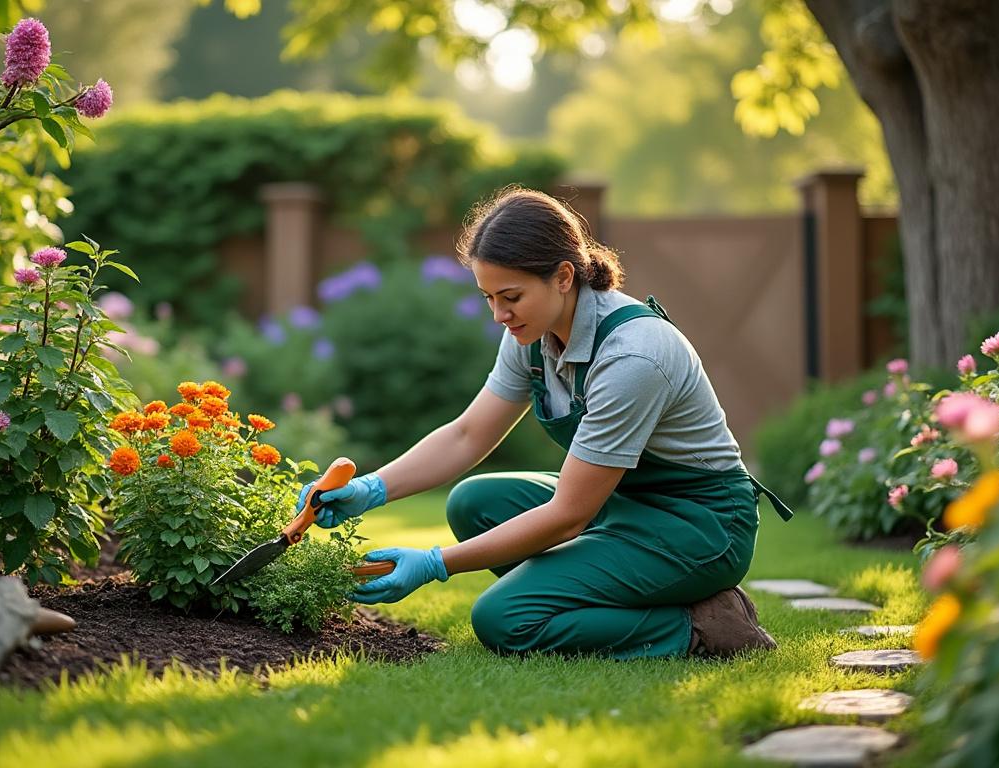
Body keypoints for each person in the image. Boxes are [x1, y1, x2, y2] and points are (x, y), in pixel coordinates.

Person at [298, 187, 792, 660]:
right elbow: (468, 434)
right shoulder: (530, 337)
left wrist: (434, 564)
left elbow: (569, 514)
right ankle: (604, 598)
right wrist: (371, 488)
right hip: (624, 505)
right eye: (489, 297)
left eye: (510, 296)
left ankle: (705, 626)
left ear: (562, 276)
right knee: (475, 502)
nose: (498, 314)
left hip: (699, 526)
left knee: (506, 619)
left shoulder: (633, 356)